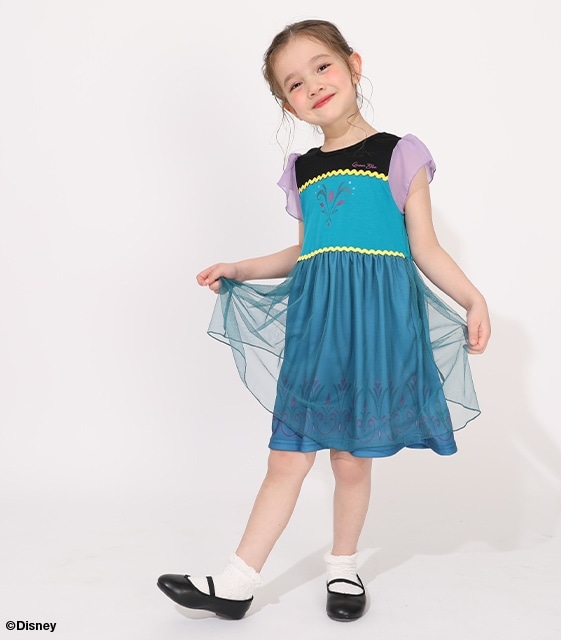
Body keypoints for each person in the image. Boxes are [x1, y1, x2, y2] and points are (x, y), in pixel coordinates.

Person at [157, 19, 490, 622]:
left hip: (375, 324)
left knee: (351, 459)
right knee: (286, 455)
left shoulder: (399, 153)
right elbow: (307, 250)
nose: (311, 85)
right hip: (316, 325)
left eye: (321, 67)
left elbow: (425, 247)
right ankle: (235, 584)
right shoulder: (304, 168)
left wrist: (474, 299)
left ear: (353, 65)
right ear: (287, 105)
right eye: (293, 83)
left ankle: (343, 566)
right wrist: (242, 267)